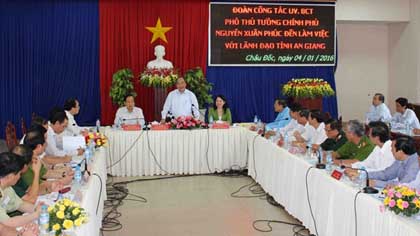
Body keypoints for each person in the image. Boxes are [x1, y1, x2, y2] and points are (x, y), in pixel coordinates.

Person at [347, 136, 419, 188]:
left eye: (392, 148)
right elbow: (386, 174)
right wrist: (361, 174)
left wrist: (375, 183)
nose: (391, 150)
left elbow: (402, 186)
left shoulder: (415, 165)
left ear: (400, 152)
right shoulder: (400, 159)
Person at [0, 152, 43, 228]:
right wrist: (35, 215)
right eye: (19, 174)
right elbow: (8, 223)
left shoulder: (6, 187)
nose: (19, 177)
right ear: (10, 176)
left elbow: (20, 204)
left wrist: (37, 209)